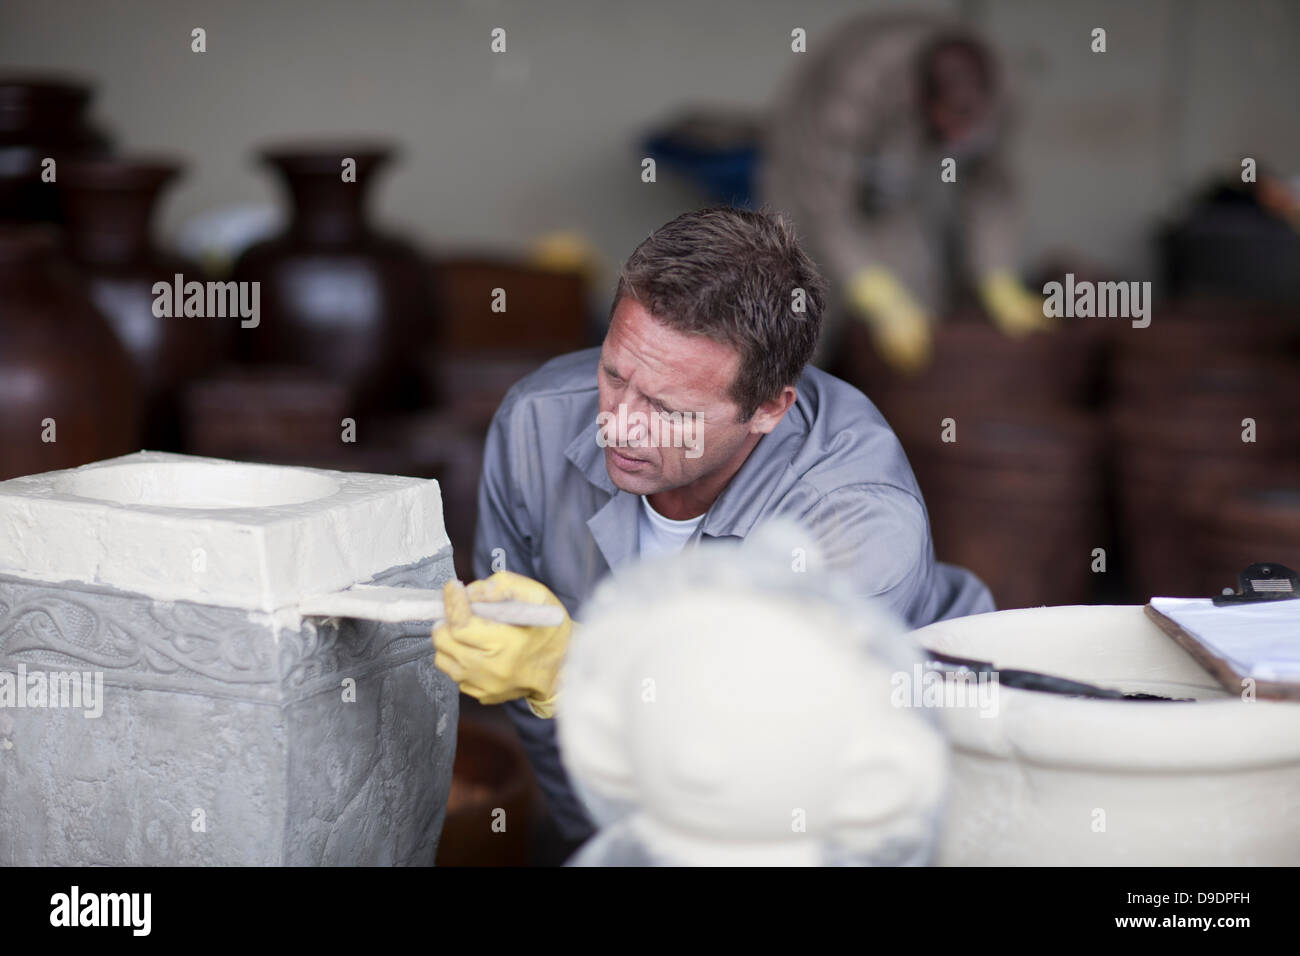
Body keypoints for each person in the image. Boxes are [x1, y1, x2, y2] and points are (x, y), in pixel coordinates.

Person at [433, 205, 993, 851]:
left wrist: (575, 668)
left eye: (670, 410)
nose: (620, 424)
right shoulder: (536, 423)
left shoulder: (858, 516)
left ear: (768, 408)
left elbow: (771, 747)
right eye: (615, 375)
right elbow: (535, 712)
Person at [761, 11, 1053, 371]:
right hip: (813, 165)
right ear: (920, 97)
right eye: (953, 121)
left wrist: (998, 275)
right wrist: (872, 290)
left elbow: (990, 184)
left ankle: (881, 402)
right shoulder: (854, 87)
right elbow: (823, 206)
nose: (960, 138)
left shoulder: (1003, 88)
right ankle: (794, 391)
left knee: (913, 285)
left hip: (893, 172)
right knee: (803, 282)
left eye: (970, 125)